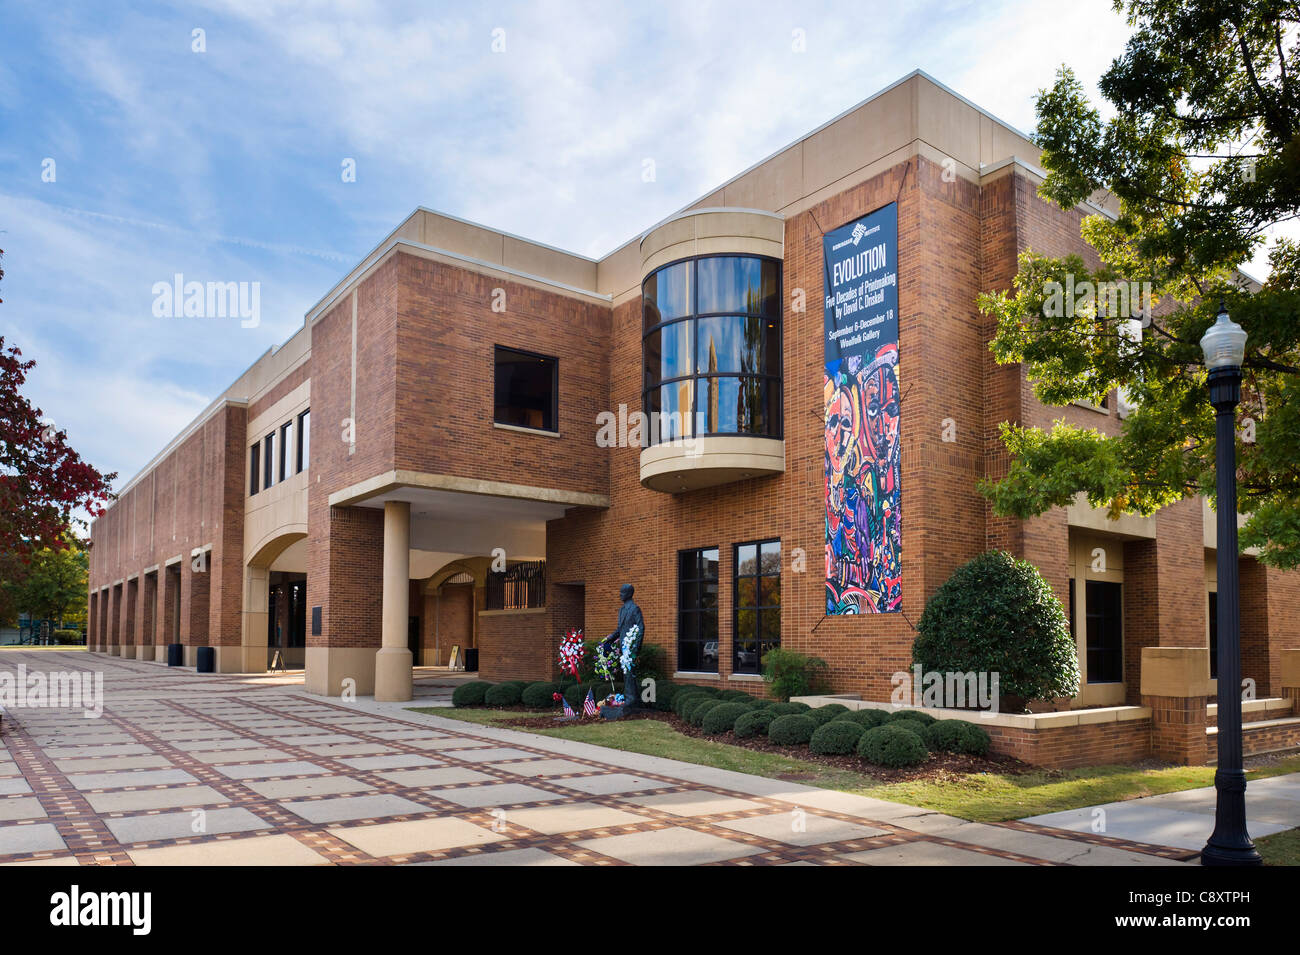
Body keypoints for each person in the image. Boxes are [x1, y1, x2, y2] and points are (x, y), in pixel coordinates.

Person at [614, 583, 644, 711]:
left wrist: (635, 647)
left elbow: (641, 627)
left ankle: (632, 700)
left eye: (622, 592)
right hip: (623, 647)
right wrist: (608, 639)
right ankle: (630, 698)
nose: (620, 594)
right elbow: (619, 630)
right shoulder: (622, 610)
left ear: (629, 594)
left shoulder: (635, 609)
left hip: (630, 648)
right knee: (626, 674)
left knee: (630, 673)